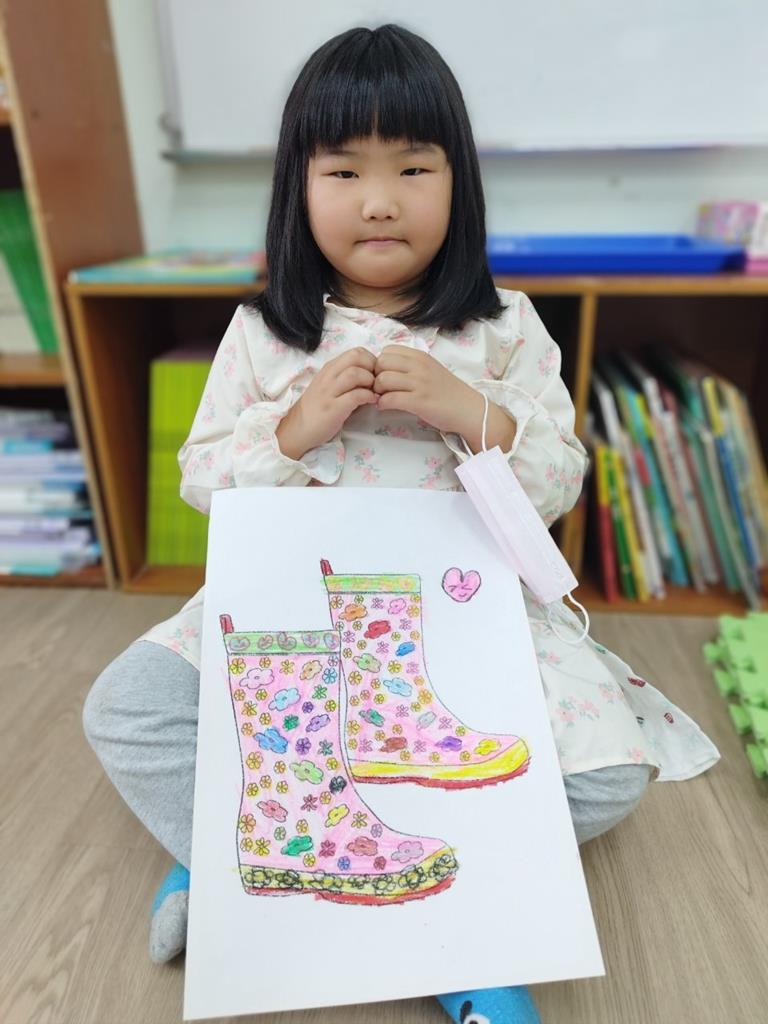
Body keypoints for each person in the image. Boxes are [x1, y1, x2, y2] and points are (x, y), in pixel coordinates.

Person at [82, 23, 719, 1024]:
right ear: (298, 188)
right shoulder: (262, 333)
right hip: (292, 612)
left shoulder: (504, 326)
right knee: (126, 706)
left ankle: (326, 871)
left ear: (457, 182)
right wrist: (295, 428)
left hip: (467, 619)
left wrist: (472, 411)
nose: (379, 199)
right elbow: (202, 480)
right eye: (344, 170)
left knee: (610, 781)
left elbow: (560, 479)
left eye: (413, 167)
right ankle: (252, 854)